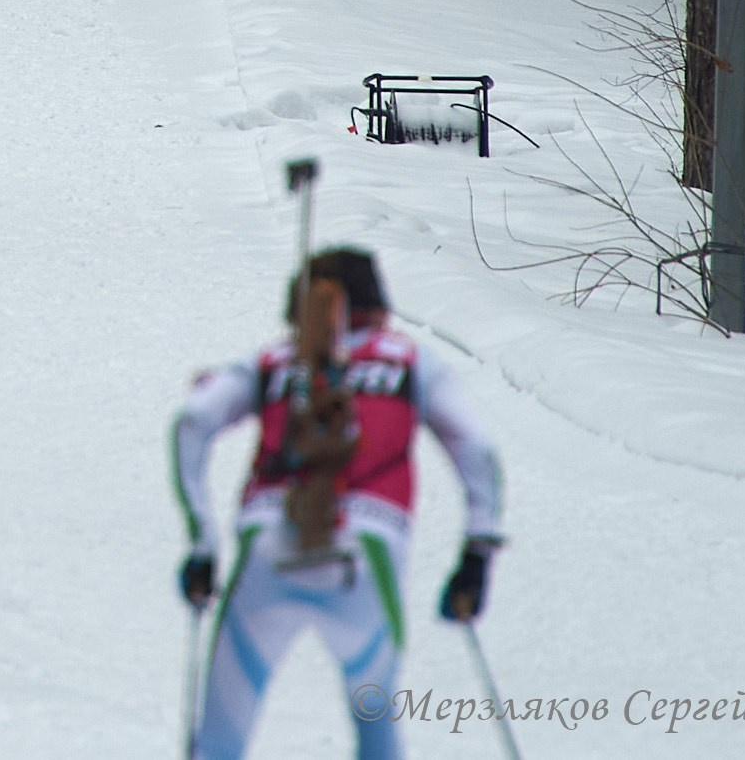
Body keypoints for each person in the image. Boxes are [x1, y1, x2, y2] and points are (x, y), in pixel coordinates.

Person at [172, 248, 506, 760]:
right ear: (377, 306)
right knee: (377, 737)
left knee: (218, 744)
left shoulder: (274, 360)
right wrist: (477, 552)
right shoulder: (408, 359)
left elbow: (194, 420)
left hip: (269, 544)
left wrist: (203, 541)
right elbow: (475, 446)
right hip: (365, 551)